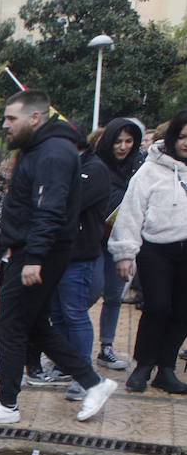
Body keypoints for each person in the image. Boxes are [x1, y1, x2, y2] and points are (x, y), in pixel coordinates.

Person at [0, 90, 116, 425]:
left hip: (40, 252)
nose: (5, 125)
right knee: (32, 325)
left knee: (9, 326)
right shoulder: (41, 148)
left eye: (11, 118)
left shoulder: (54, 152)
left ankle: (7, 404)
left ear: (35, 118)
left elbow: (50, 208)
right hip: (33, 249)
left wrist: (33, 257)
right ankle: (94, 383)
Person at [107, 108, 187, 394]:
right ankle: (143, 365)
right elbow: (131, 211)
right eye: (183, 136)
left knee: (182, 311)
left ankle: (166, 369)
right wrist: (125, 253)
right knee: (157, 306)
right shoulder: (150, 169)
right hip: (156, 249)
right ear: (173, 136)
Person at [47, 129, 111, 401]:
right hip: (56, 251)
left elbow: (67, 204)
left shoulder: (94, 169)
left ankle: (84, 375)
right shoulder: (67, 165)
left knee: (74, 313)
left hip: (79, 252)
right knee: (58, 313)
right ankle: (65, 364)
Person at [90, 117, 144, 370]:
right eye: (118, 141)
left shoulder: (139, 168)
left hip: (123, 241)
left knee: (114, 295)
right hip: (95, 240)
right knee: (91, 291)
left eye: (128, 141)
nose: (123, 147)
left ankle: (107, 346)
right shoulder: (97, 166)